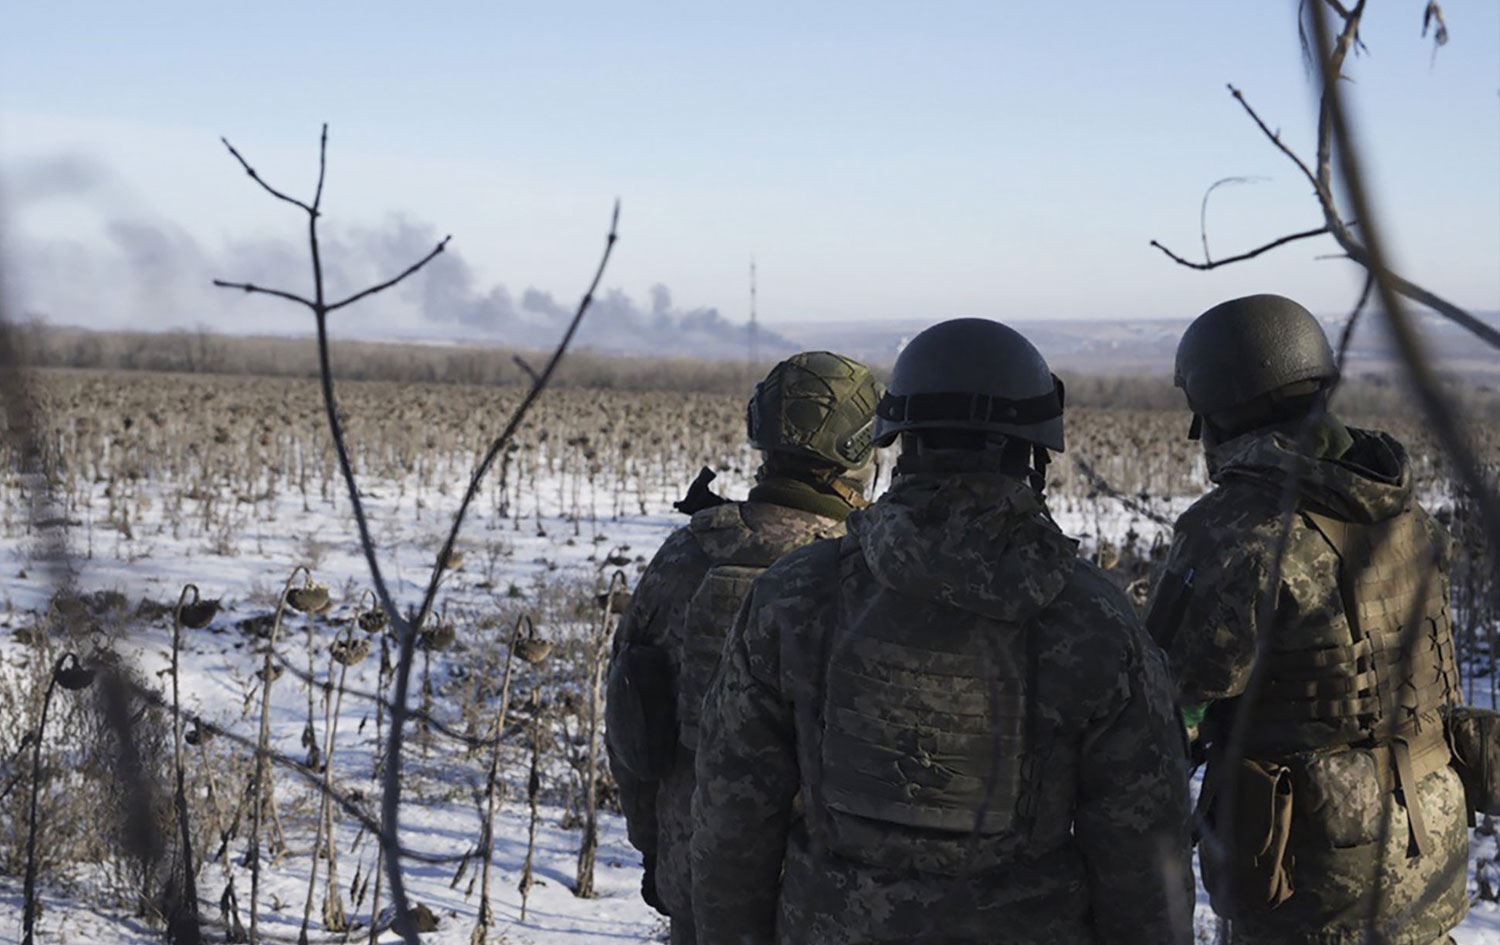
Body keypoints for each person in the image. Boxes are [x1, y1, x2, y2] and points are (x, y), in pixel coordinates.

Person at [692, 318, 1194, 945]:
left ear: (896, 440)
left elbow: (733, 821)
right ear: (1034, 452)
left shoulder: (794, 596)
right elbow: (1145, 858)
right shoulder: (1094, 620)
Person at [1148, 293, 1469, 945]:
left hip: (1313, 874)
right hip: (1433, 843)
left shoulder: (1236, 530)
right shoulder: (1404, 512)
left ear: (1219, 406)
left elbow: (1163, 696)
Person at [605, 351, 884, 945]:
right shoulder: (870, 575)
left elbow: (630, 727)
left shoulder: (687, 555)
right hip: (834, 905)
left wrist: (657, 851)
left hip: (697, 885)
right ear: (860, 452)